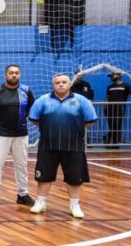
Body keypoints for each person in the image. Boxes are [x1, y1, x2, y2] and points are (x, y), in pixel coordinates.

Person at [29, 73, 97, 218]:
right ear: (53, 85)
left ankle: (75, 205)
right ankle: (40, 202)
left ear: (69, 84)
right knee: (44, 176)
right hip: (48, 145)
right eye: (57, 82)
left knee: (75, 177)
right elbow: (35, 119)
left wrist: (72, 129)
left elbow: (89, 120)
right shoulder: (43, 100)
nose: (60, 84)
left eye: (64, 82)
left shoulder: (82, 101)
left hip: (74, 146)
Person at [0, 64, 35, 206]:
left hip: (21, 135)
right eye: (11, 73)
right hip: (1, 134)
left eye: (16, 73)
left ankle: (23, 194)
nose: (14, 75)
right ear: (5, 75)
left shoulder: (26, 91)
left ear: (19, 75)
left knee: (22, 165)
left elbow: (30, 108)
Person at [104, 72, 131, 146]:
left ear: (119, 76)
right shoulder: (110, 87)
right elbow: (107, 98)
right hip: (110, 110)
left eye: (113, 75)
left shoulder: (126, 85)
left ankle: (114, 142)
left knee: (117, 125)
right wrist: (105, 108)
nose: (111, 77)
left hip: (120, 109)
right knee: (112, 125)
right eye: (111, 76)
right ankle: (111, 140)